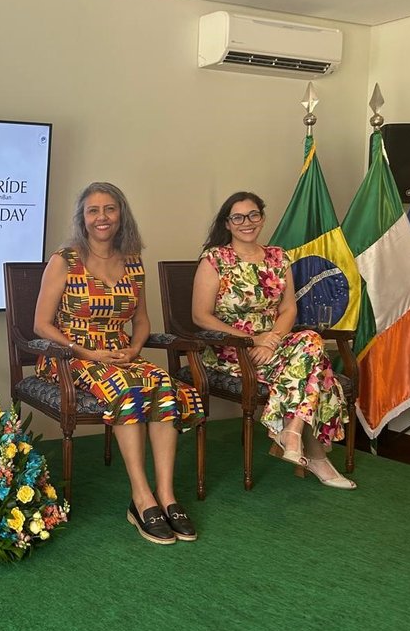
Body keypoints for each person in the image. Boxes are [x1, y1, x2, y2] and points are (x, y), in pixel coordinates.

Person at [33, 182, 205, 544]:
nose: (102, 217)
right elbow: (41, 325)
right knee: (130, 389)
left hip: (120, 353)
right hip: (71, 356)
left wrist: (134, 349)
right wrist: (87, 352)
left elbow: (141, 321)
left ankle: (167, 495)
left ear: (121, 214)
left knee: (166, 388)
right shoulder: (64, 260)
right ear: (82, 217)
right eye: (93, 210)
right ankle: (141, 499)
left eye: (110, 209)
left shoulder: (132, 261)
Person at [191, 191, 355, 489]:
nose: (247, 222)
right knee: (317, 367)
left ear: (262, 218)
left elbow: (289, 308)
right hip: (234, 349)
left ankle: (291, 430)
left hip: (274, 346)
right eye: (238, 217)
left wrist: (273, 339)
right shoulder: (215, 259)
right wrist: (254, 340)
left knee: (310, 341)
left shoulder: (278, 257)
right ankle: (316, 457)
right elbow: (201, 316)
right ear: (227, 223)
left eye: (253, 215)